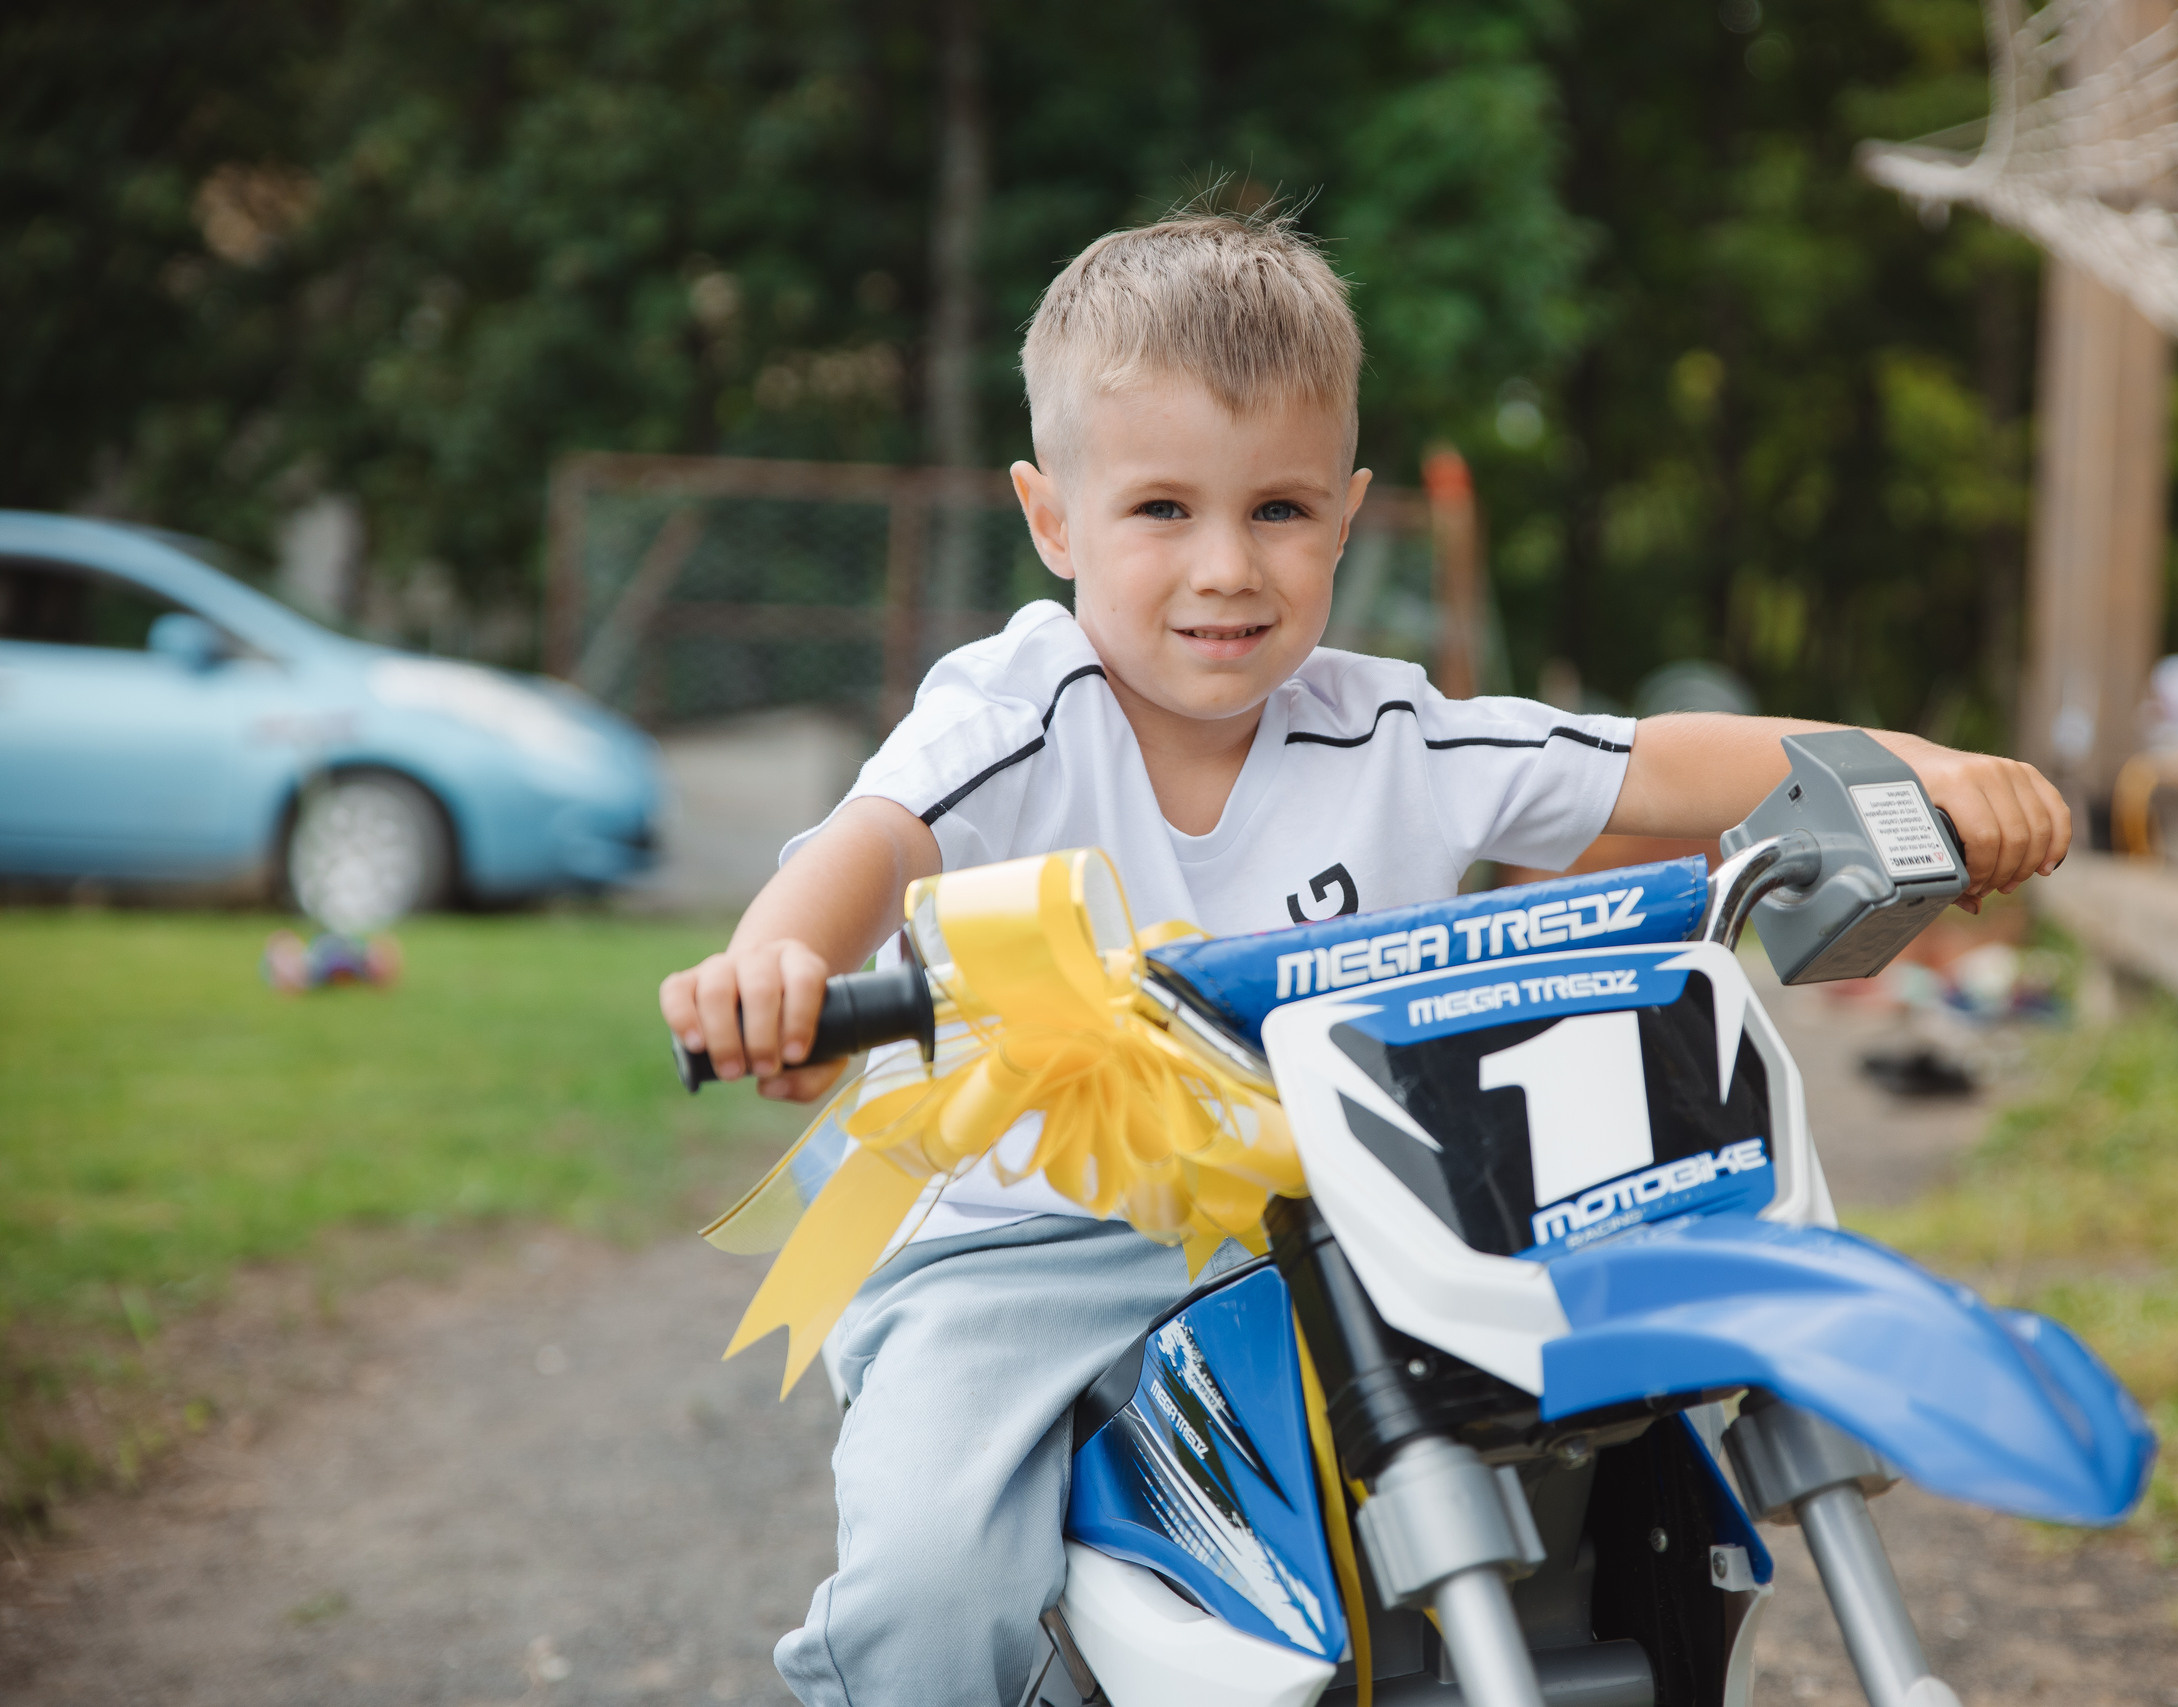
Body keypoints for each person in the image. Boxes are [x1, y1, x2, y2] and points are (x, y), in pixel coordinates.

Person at [657, 210, 2070, 1707]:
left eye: (1278, 509)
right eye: (1158, 511)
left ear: (1346, 514)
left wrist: (1920, 766)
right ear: (1053, 516)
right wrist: (780, 969)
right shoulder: (1016, 710)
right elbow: (870, 841)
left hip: (1372, 1220)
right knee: (928, 1588)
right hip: (1039, 1233)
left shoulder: (1395, 730)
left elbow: (1654, 765)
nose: (1225, 567)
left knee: (1611, 1463)